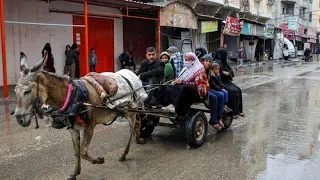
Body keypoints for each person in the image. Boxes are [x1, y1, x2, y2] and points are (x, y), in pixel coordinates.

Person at [161, 52, 209, 118]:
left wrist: (182, 82)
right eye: (185, 60)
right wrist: (176, 81)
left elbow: (197, 85)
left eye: (188, 60)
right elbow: (180, 79)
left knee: (184, 88)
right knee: (168, 87)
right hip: (186, 89)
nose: (186, 62)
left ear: (193, 60)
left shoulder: (199, 70)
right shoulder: (185, 69)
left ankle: (180, 112)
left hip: (198, 93)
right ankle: (170, 104)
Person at [214, 47, 244, 119]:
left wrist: (228, 73)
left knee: (238, 90)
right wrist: (222, 73)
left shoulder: (225, 63)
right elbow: (214, 74)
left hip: (227, 82)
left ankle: (238, 111)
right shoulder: (215, 63)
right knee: (232, 91)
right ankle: (233, 113)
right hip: (219, 82)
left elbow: (230, 72)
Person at [202, 54, 226, 130]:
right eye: (206, 61)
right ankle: (213, 120)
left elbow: (209, 82)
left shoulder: (209, 70)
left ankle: (219, 118)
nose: (208, 63)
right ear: (203, 61)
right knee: (214, 97)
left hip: (207, 88)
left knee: (221, 95)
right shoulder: (200, 69)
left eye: (210, 62)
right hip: (201, 89)